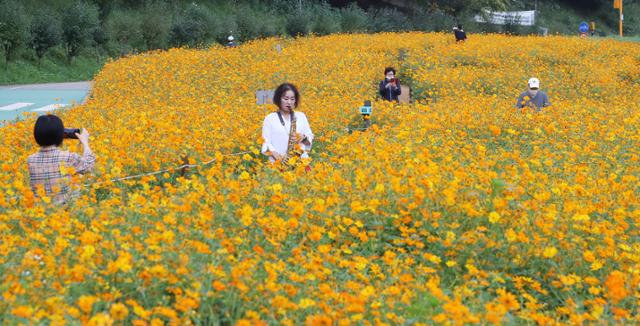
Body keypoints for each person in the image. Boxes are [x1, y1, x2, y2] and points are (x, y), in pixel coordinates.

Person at [27, 115, 95, 204]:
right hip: (67, 212)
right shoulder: (68, 157)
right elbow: (89, 165)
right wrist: (85, 142)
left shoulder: (30, 160)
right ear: (61, 135)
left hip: (43, 211)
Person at [261, 83, 313, 164]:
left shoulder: (301, 116)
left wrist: (304, 138)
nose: (289, 102)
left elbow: (309, 139)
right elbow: (265, 142)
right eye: (286, 99)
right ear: (278, 99)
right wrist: (279, 158)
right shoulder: (270, 118)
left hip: (301, 163)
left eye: (292, 99)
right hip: (278, 164)